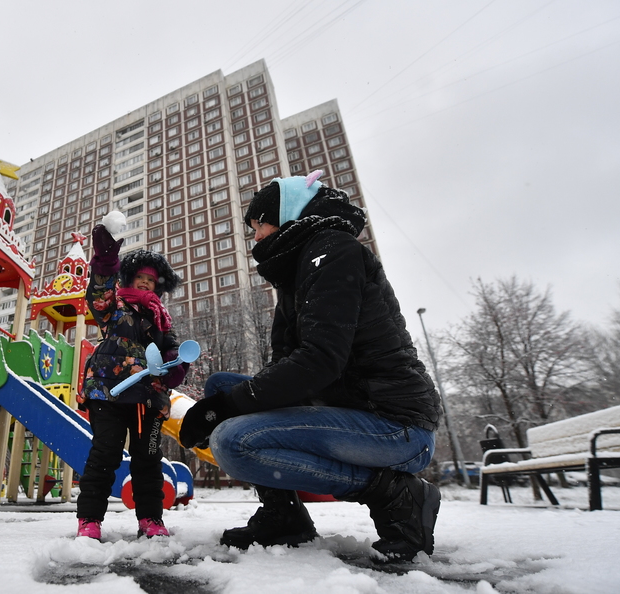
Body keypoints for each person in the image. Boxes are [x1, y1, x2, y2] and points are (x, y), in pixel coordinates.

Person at [179, 171, 442, 562]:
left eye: (260, 225)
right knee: (221, 383)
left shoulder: (333, 250)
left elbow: (320, 361)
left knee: (233, 440)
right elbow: (285, 366)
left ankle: (393, 493)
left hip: (395, 426)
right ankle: (284, 516)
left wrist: (225, 409)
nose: (256, 237)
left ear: (287, 217)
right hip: (348, 409)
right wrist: (226, 400)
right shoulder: (298, 273)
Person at [76, 213, 188, 540]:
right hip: (108, 393)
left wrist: (175, 366)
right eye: (139, 277)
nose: (144, 283)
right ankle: (90, 520)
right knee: (105, 454)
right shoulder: (115, 307)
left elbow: (176, 357)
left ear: (158, 287)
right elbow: (99, 292)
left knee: (149, 460)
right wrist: (106, 261)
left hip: (149, 400)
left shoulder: (162, 323)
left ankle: (151, 519)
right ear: (129, 279)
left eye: (151, 280)